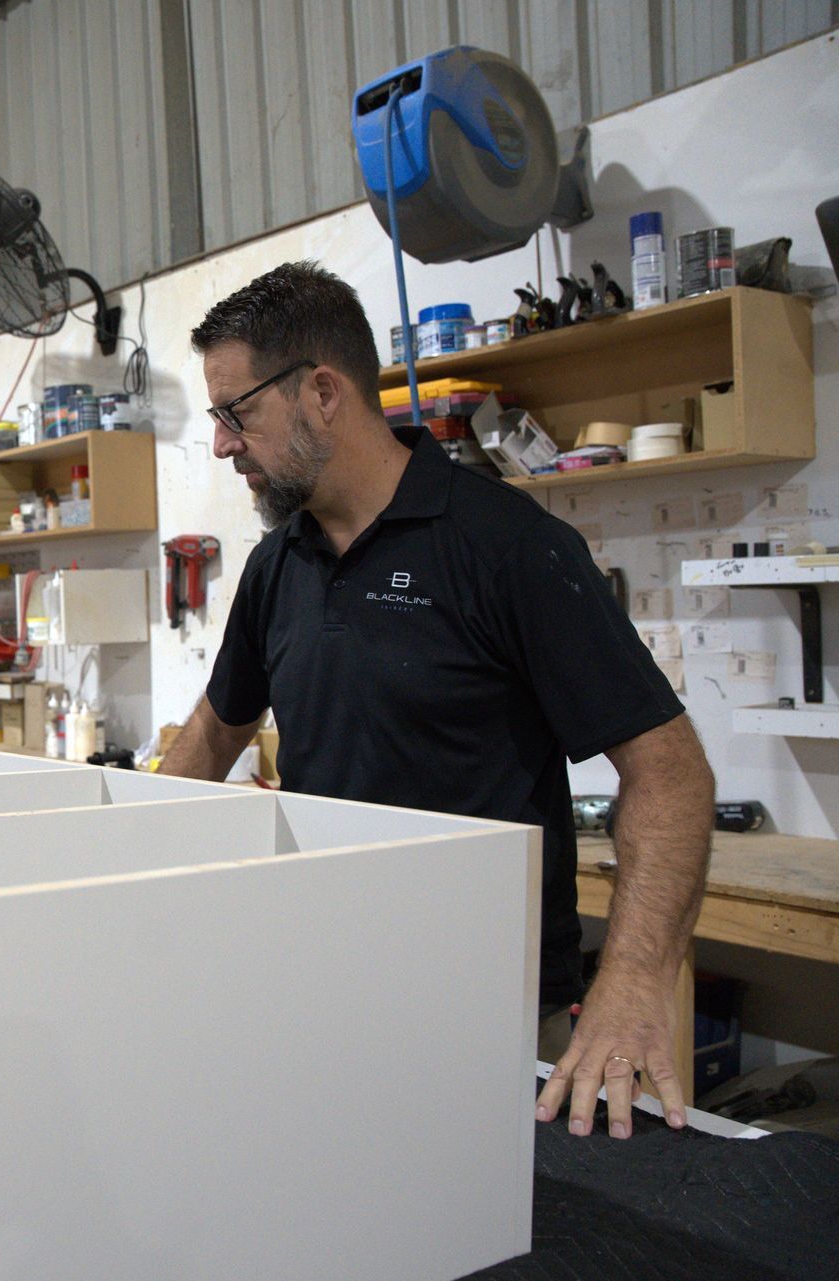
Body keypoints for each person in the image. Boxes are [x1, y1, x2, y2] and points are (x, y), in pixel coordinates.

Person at [161, 262, 713, 1141]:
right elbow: (212, 733)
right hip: (317, 986)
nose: (223, 444)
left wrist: (634, 981)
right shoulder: (277, 566)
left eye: (236, 414)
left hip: (483, 1020)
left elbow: (672, 774)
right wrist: (135, 888)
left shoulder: (509, 548)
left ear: (323, 392)